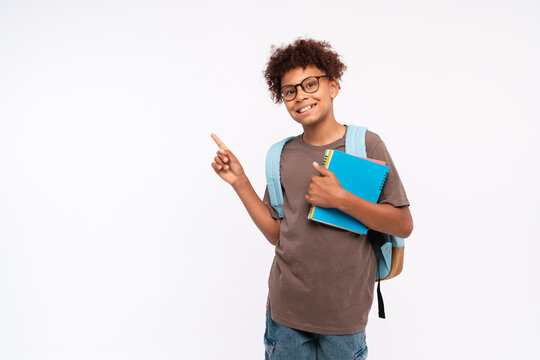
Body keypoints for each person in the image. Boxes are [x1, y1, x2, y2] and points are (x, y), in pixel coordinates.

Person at [211, 37, 413, 360]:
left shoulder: (366, 145)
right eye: (290, 91)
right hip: (286, 315)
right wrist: (240, 181)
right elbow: (277, 233)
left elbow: (403, 224)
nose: (300, 96)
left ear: (333, 85)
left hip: (345, 318)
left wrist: (341, 198)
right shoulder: (281, 155)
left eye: (309, 84)